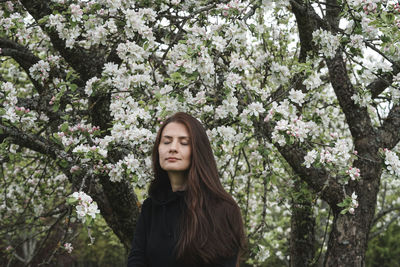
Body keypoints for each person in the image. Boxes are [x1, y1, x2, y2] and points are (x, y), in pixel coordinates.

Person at [127, 112, 246, 267]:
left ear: (198, 151)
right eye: (166, 142)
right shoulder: (151, 207)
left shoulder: (223, 209)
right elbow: (136, 260)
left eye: (184, 143)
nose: (173, 148)